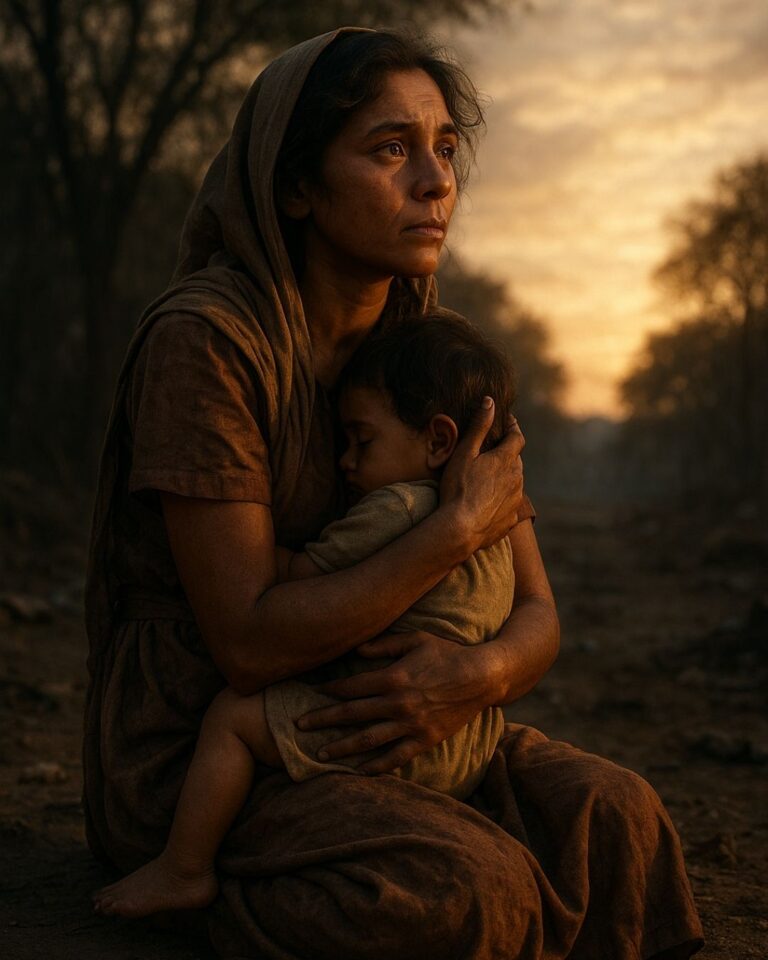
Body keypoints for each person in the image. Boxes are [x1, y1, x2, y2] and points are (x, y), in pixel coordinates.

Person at [83, 26, 704, 960]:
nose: (436, 181)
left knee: (622, 819)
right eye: (390, 150)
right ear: (296, 186)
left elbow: (537, 613)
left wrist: (475, 678)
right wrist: (448, 533)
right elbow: (248, 644)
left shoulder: (438, 356)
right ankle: (192, 886)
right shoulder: (209, 343)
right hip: (217, 752)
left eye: (445, 148)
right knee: (465, 892)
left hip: (410, 729)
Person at [92, 314, 521, 918]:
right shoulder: (497, 519)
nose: (346, 462)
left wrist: (228, 543)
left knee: (233, 719)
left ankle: (184, 869)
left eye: (362, 442)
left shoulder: (395, 508)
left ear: (438, 441)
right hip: (467, 746)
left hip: (384, 737)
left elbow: (299, 574)